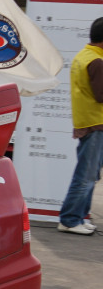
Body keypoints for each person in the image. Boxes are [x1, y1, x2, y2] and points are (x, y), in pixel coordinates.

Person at [57, 16, 103, 235]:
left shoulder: (84, 56)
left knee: (90, 174)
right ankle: (70, 219)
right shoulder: (97, 62)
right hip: (96, 124)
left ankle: (79, 217)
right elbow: (101, 95)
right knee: (86, 175)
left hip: (88, 123)